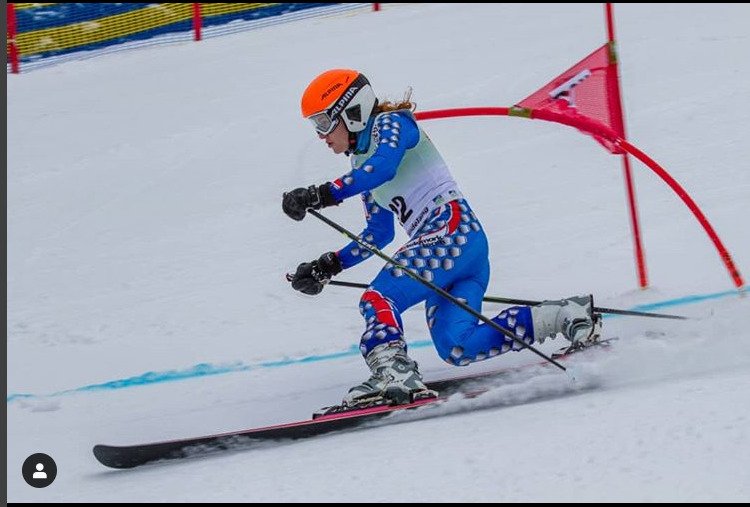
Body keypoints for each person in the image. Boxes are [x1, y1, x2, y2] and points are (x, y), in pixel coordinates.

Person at [283, 69, 602, 408]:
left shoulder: (391, 124)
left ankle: (395, 374)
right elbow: (378, 234)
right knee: (457, 345)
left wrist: (322, 194)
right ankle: (569, 315)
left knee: (377, 299)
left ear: (352, 111)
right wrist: (328, 266)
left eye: (322, 122)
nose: (321, 136)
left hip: (450, 232)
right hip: (454, 249)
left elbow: (385, 166)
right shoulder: (362, 165)